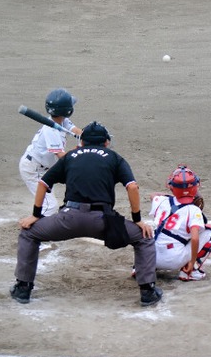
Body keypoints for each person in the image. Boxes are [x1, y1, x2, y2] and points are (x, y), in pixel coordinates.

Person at [11, 121, 163, 307]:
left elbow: (43, 184)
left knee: (29, 233)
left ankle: (23, 288)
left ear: (81, 143)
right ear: (106, 142)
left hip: (68, 219)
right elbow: (132, 187)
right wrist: (138, 220)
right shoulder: (115, 157)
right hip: (103, 222)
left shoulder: (70, 156)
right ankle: (148, 291)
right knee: (144, 238)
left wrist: (36, 215)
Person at [19, 88, 84, 216]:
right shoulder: (51, 130)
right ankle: (35, 232)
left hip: (43, 168)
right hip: (34, 169)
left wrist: (88, 138)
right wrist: (79, 153)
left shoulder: (61, 121)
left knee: (47, 203)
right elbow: (61, 156)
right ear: (67, 110)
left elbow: (77, 131)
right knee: (50, 207)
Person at [149, 165, 211, 281]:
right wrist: (191, 261)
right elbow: (195, 238)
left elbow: (153, 195)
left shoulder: (162, 201)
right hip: (173, 260)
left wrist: (174, 197)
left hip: (150, 257)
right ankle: (190, 271)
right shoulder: (193, 210)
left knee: (150, 231)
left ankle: (140, 267)